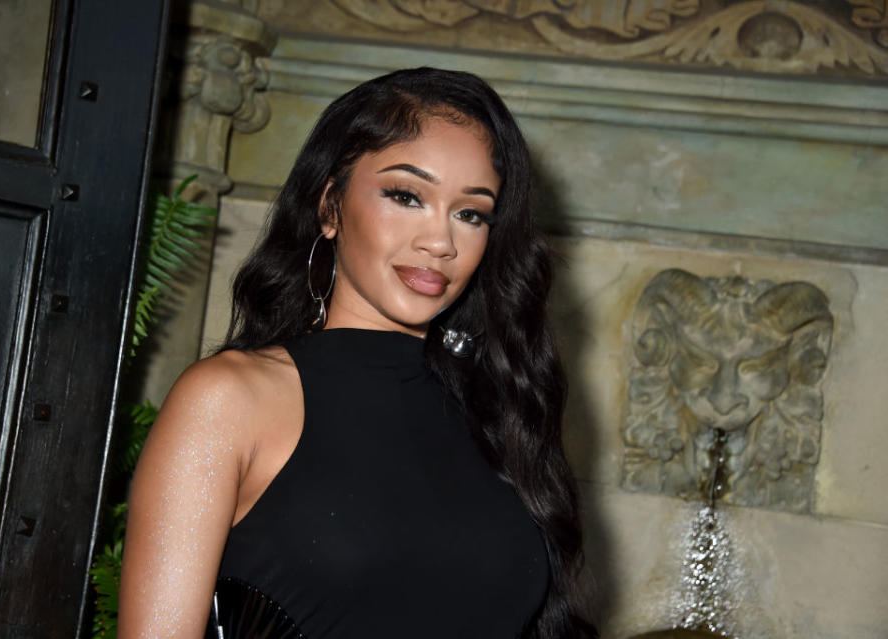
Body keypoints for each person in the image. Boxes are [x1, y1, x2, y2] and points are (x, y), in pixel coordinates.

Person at [119, 67, 596, 639]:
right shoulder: (228, 400)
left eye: (471, 213)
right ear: (330, 207)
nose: (441, 241)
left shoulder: (500, 411)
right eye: (406, 195)